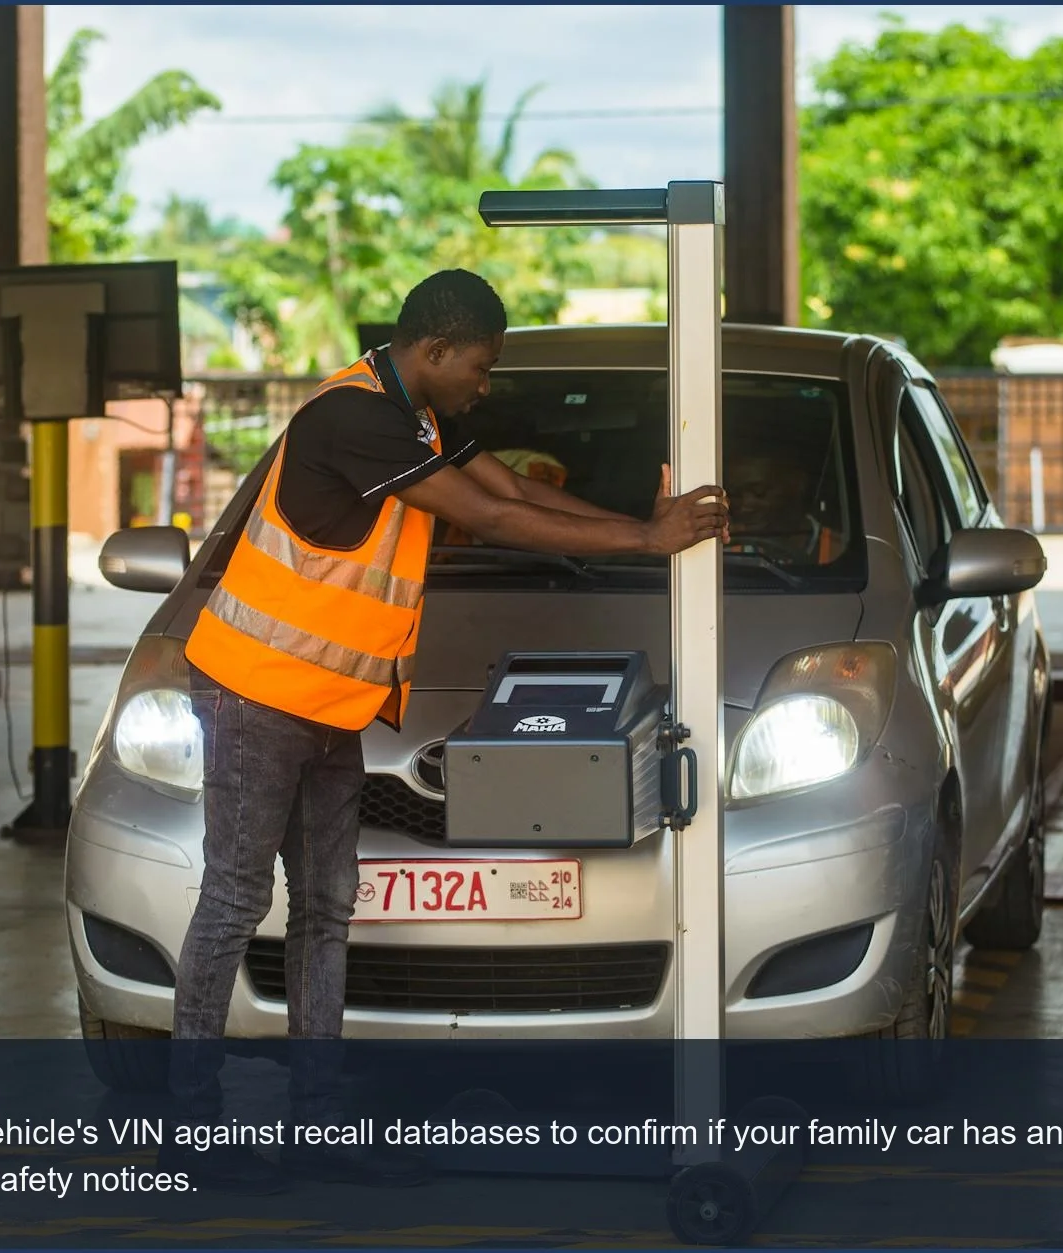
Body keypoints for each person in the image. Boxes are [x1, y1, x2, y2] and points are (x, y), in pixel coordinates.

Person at [163, 269, 729, 1190]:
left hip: (331, 707)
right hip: (252, 691)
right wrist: (644, 546)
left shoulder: (418, 418)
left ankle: (314, 1107)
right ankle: (187, 1119)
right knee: (234, 898)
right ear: (433, 351)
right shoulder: (348, 419)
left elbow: (502, 480)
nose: (488, 383)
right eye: (482, 365)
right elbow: (496, 517)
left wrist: (643, 524)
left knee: (326, 905)